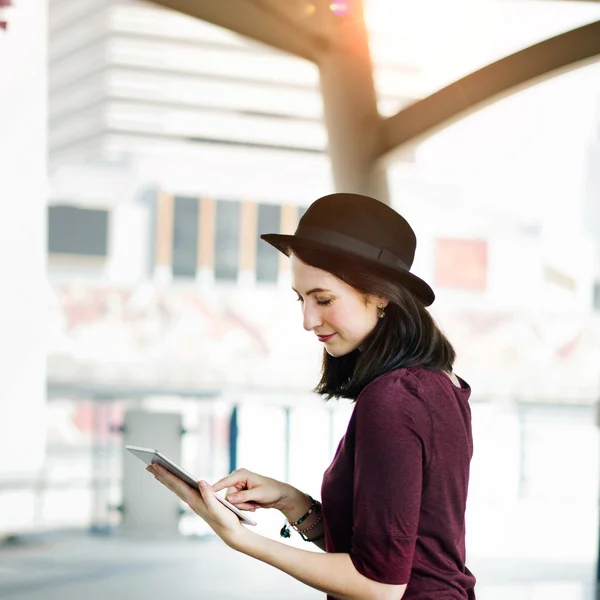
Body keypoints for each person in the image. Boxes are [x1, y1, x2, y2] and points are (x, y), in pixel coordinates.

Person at [147, 193, 477, 600]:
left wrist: (241, 539)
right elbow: (399, 554)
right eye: (301, 299)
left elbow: (380, 585)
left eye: (323, 299)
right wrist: (292, 502)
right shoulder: (439, 384)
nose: (307, 320)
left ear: (380, 295)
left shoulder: (393, 398)